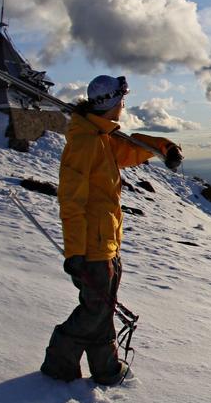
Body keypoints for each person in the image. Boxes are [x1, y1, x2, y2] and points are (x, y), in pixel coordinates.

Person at [40, 74, 183, 384]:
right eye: (121, 99)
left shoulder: (102, 138)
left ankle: (105, 368)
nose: (123, 104)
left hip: (107, 243)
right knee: (94, 311)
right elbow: (71, 200)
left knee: (103, 310)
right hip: (92, 247)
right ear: (113, 103)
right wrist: (75, 251)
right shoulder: (85, 142)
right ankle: (58, 364)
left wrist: (166, 148)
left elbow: (131, 148)